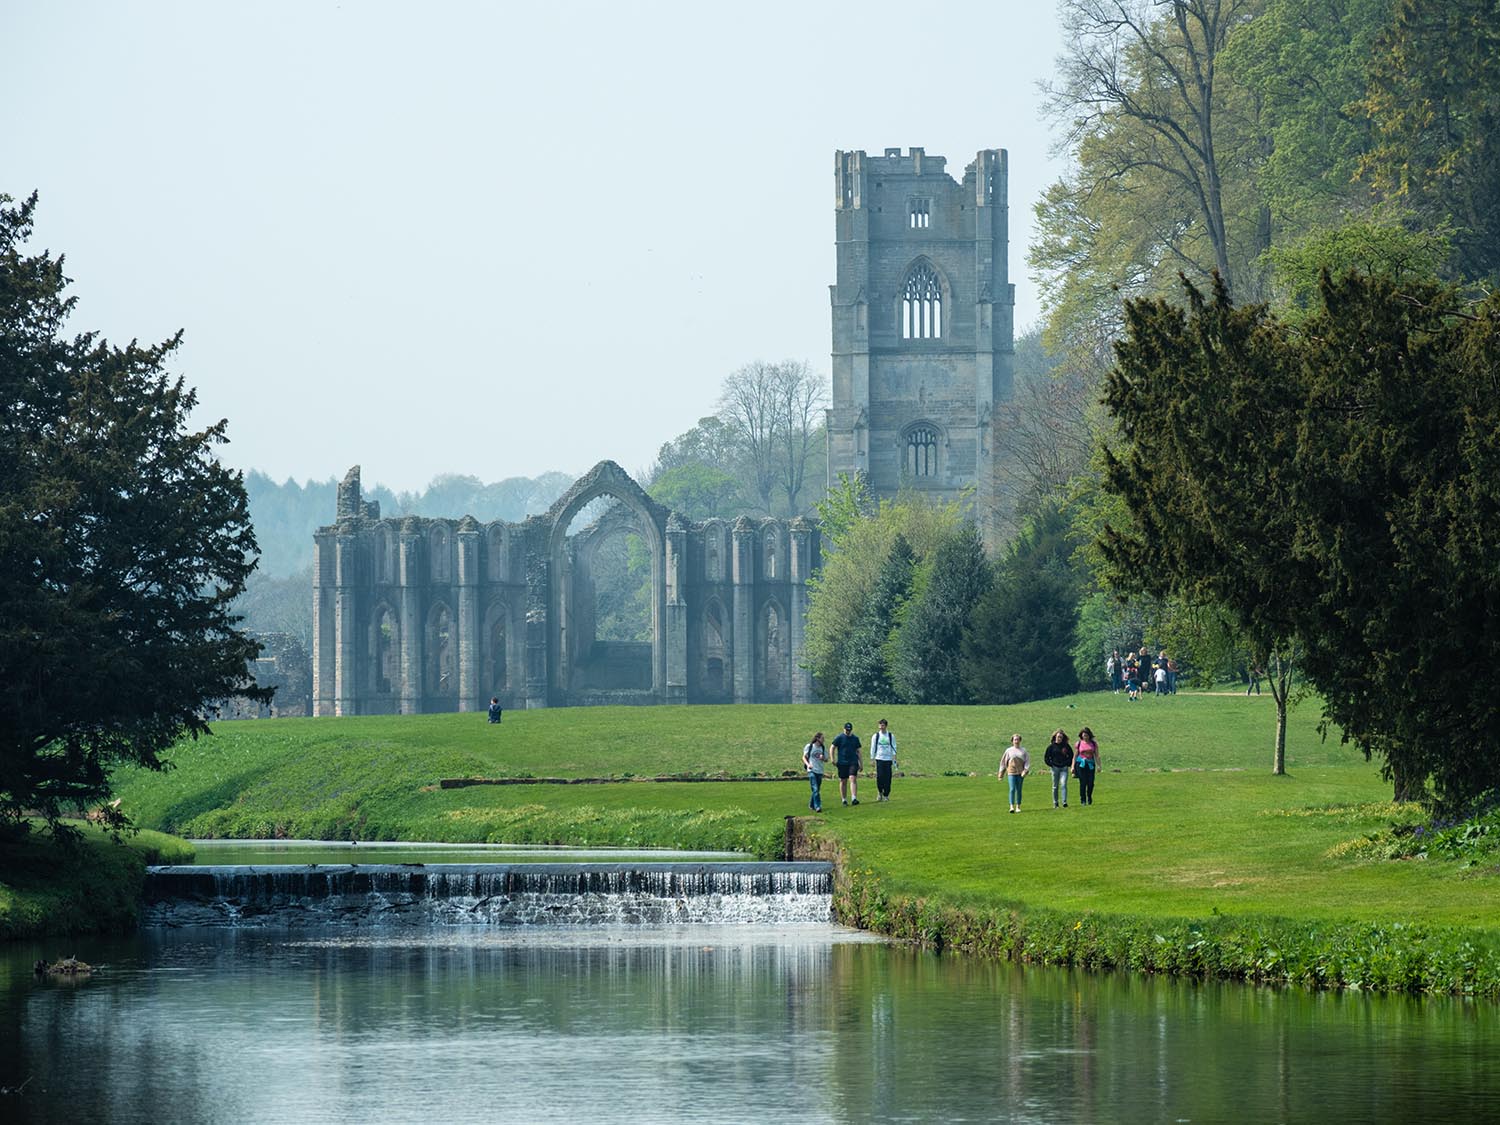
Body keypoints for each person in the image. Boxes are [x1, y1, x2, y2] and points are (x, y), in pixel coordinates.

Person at [832, 722, 863, 806]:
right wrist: (833, 759)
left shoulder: (855, 738)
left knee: (852, 778)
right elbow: (832, 747)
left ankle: (854, 798)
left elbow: (859, 751)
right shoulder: (839, 738)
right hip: (842, 762)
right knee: (843, 780)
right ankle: (844, 799)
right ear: (844, 729)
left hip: (853, 761)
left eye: (849, 730)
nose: (848, 732)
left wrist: (861, 763)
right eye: (846, 730)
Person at [998, 733, 1030, 813]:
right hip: (1011, 772)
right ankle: (1011, 806)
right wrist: (1001, 773)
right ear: (1012, 741)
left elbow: (1027, 761)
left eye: (1018, 739)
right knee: (1012, 789)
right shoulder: (1009, 750)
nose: (1016, 741)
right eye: (1015, 740)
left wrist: (1025, 770)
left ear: (1020, 741)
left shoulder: (1023, 751)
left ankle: (1018, 806)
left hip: (1020, 772)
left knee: (1019, 789)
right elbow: (1003, 762)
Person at [1043, 729, 1074, 808]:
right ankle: (1055, 803)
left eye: (1061, 737)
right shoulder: (1051, 747)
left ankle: (1064, 802)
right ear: (1055, 737)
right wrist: (1051, 764)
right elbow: (1046, 757)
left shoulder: (1066, 746)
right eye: (1058, 737)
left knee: (1063, 784)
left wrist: (1068, 763)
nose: (1059, 738)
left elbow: (1071, 755)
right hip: (1055, 768)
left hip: (1064, 768)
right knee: (1055, 786)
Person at [869, 719, 898, 801]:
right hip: (879, 758)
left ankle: (886, 795)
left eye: (882, 725)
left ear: (885, 726)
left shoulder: (890, 736)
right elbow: (873, 747)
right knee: (880, 777)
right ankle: (880, 792)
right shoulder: (876, 736)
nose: (881, 727)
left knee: (888, 778)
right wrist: (872, 758)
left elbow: (894, 747)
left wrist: (895, 758)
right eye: (880, 725)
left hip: (888, 759)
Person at [802, 732, 828, 813]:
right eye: (822, 738)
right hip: (811, 770)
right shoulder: (809, 747)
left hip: (819, 771)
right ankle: (818, 806)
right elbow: (804, 757)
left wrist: (823, 758)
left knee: (816, 790)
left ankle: (811, 804)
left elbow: (826, 759)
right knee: (815, 789)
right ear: (818, 738)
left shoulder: (823, 748)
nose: (823, 740)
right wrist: (808, 764)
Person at [1073, 727, 1100, 805]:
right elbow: (1075, 756)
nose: (1085, 737)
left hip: (1090, 764)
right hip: (1081, 764)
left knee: (1091, 782)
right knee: (1083, 782)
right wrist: (1072, 766)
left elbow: (1097, 755)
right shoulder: (1079, 743)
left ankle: (1089, 796)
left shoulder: (1093, 744)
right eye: (1083, 735)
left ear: (1089, 735)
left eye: (1086, 735)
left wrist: (1099, 765)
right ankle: (1083, 800)